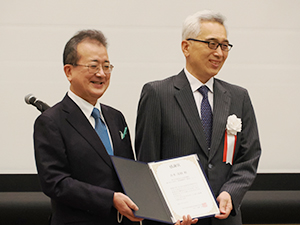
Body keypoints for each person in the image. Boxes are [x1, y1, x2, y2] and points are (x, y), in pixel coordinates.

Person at [135, 10, 261, 225]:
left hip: (224, 219)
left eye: (224, 46)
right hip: (175, 221)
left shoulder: (239, 97)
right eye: (211, 44)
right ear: (186, 47)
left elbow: (248, 157)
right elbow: (147, 163)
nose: (219, 53)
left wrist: (230, 193)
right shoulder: (157, 94)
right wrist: (168, 212)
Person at [33, 29, 143, 225]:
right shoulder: (51, 121)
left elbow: (129, 171)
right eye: (93, 66)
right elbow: (55, 183)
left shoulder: (116, 117)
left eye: (106, 66)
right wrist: (110, 199)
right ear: (69, 71)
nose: (101, 73)